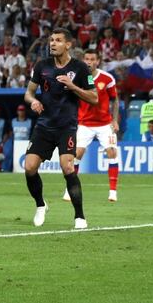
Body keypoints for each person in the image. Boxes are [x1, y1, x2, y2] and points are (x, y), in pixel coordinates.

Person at [24, 28, 97, 229]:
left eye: (57, 40)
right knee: (29, 167)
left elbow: (94, 98)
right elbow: (29, 93)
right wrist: (33, 102)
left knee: (67, 167)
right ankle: (40, 204)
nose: (52, 44)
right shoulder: (42, 66)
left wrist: (73, 86)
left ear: (68, 44)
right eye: (51, 40)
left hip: (66, 127)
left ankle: (79, 217)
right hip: (44, 126)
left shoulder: (81, 68)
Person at [65, 50, 120, 202]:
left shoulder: (107, 78)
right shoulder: (77, 77)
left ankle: (113, 192)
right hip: (85, 123)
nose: (89, 62)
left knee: (112, 153)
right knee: (77, 154)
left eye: (92, 59)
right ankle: (69, 189)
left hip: (104, 123)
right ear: (83, 60)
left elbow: (114, 100)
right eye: (87, 59)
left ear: (98, 61)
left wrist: (115, 120)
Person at [9, 104, 33, 172]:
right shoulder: (13, 121)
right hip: (15, 144)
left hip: (26, 143)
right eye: (20, 110)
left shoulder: (29, 121)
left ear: (25, 111)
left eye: (22, 110)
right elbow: (10, 133)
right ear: (17, 112)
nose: (21, 112)